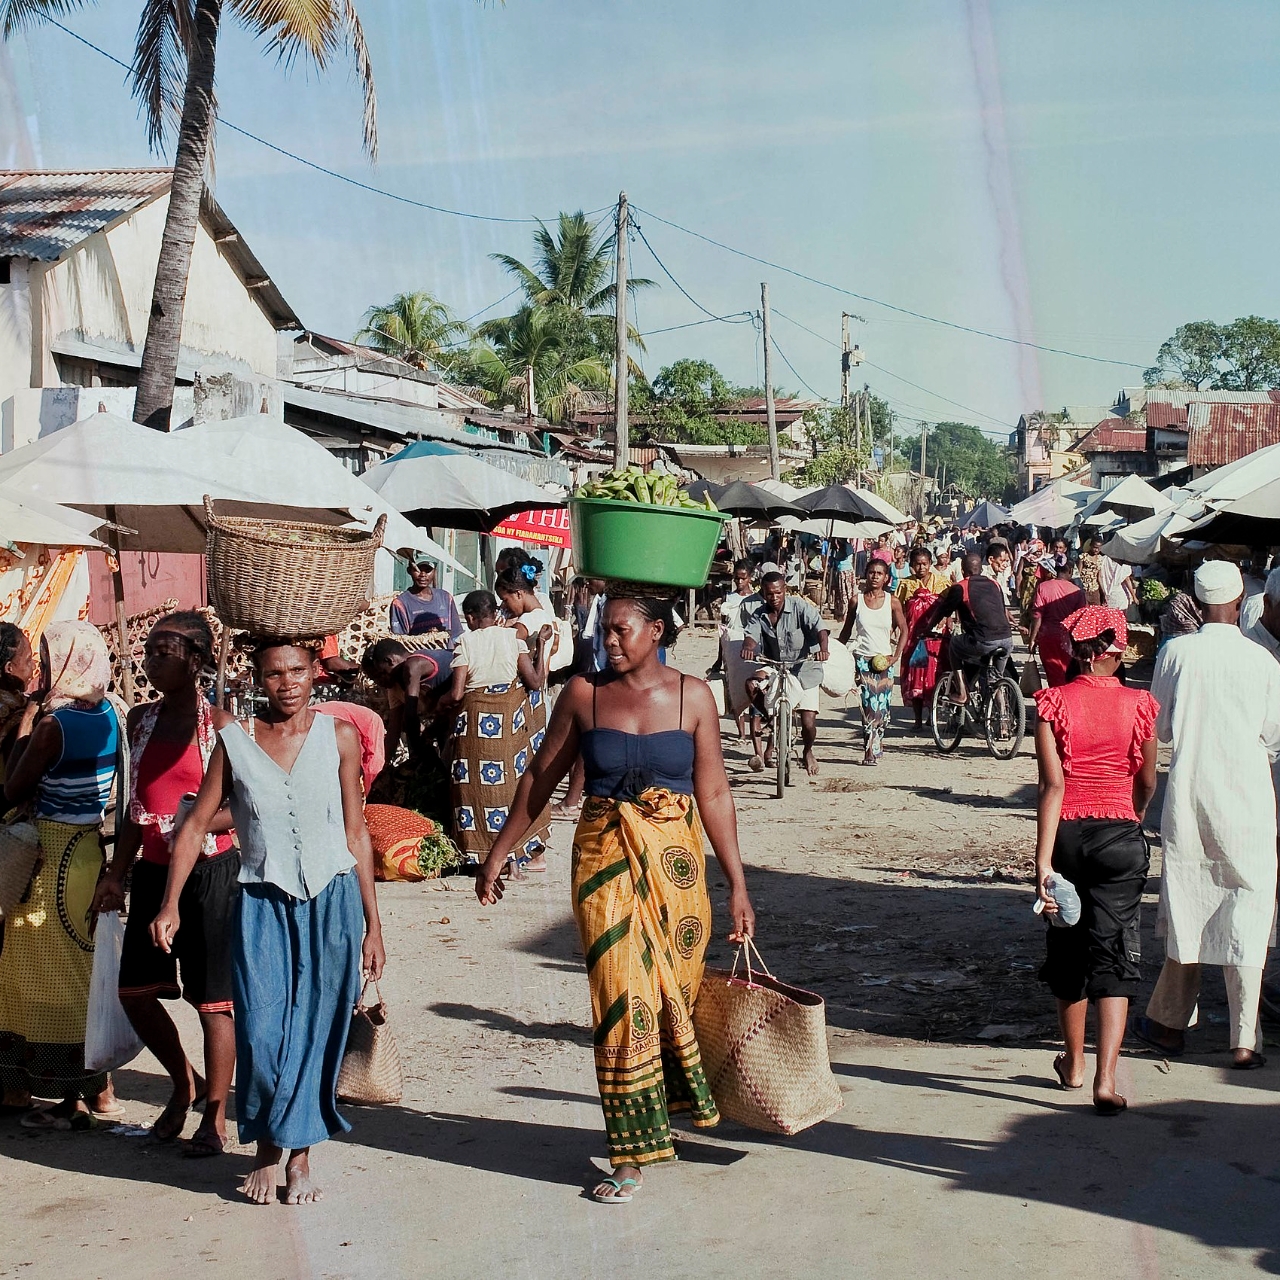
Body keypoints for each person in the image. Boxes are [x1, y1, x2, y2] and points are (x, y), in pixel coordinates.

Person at [473, 589, 755, 1203]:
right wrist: (500, 852)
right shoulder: (584, 694)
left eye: (622, 631)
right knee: (619, 998)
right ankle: (629, 1153)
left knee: (669, 995)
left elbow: (714, 795)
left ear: (657, 631)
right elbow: (540, 777)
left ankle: (665, 1114)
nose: (609, 642)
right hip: (603, 862)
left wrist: (737, 884)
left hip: (677, 873)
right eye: (605, 631)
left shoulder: (693, 697)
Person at [152, 637, 385, 1205]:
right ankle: (265, 1148)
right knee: (261, 1030)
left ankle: (298, 1155)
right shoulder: (236, 742)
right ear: (258, 678)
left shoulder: (340, 736)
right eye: (275, 674)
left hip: (331, 901)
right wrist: (170, 902)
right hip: (259, 902)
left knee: (315, 1030)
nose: (287, 684)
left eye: (297, 671)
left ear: (314, 675)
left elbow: (356, 833)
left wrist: (373, 924)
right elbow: (195, 824)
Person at [91, 613, 238, 1154]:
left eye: (163, 652)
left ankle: (216, 1117)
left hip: (209, 874)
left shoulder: (220, 727)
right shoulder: (140, 722)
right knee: (134, 991)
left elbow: (242, 808)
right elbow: (135, 806)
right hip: (151, 872)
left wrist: (192, 826)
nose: (150, 661)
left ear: (196, 660)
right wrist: (114, 874)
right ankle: (184, 1084)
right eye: (148, 651)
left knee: (213, 1002)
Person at [1132, 562, 1280, 1068]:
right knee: (1249, 910)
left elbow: (1160, 727)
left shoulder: (1176, 653)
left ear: (1195, 602)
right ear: (1241, 602)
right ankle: (1243, 1039)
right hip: (1250, 801)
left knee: (1189, 906)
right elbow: (1275, 738)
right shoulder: (1262, 661)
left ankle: (1170, 1026)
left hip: (1191, 798)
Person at [1033, 607, 1158, 1115]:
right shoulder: (1141, 704)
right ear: (1118, 650)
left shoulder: (1053, 703)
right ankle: (1106, 1080)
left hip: (1067, 838)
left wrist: (1042, 865)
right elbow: (1147, 779)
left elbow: (1052, 786)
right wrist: (1132, 816)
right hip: (1121, 836)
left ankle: (1073, 1062)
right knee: (1114, 952)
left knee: (1067, 946)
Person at [0, 621, 123, 1126]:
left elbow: (13, 788)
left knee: (31, 975)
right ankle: (100, 1089)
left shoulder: (53, 726)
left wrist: (29, 717)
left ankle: (27, 1089)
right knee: (82, 971)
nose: (41, 670)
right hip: (88, 852)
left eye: (49, 660)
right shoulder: (112, 713)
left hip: (45, 855)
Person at [443, 590, 551, 872]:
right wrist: (542, 647)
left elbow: (456, 694)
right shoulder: (513, 639)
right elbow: (535, 682)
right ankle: (515, 856)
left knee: (473, 790)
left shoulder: (464, 642)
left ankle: (481, 857)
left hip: (474, 729)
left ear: (469, 618)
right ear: (496, 613)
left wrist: (437, 704)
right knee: (509, 788)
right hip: (506, 728)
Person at [741, 571, 830, 777]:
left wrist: (823, 649)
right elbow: (751, 636)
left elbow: (820, 629)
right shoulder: (759, 614)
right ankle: (773, 718)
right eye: (769, 593)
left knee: (808, 722)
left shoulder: (800, 607)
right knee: (751, 684)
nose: (774, 597)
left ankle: (807, 751)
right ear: (763, 593)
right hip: (776, 665)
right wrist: (747, 647)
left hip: (803, 668)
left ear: (785, 590)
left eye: (778, 593)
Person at [921, 552, 1014, 705]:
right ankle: (1004, 723)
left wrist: (928, 628)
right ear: (981, 569)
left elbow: (942, 611)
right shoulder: (994, 584)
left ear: (963, 571)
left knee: (954, 645)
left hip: (984, 640)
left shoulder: (960, 587)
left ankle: (962, 693)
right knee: (996, 680)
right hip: (1007, 640)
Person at [839, 557, 907, 760]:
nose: (875, 576)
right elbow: (845, 632)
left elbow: (904, 629)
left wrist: (896, 656)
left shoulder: (892, 602)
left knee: (883, 707)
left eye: (879, 573)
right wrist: (836, 653)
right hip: (862, 659)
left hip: (884, 661)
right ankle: (869, 748)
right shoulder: (856, 601)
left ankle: (878, 739)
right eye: (871, 572)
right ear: (865, 575)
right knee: (868, 705)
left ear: (886, 578)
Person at [1029, 556, 1087, 687]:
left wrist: (1032, 639)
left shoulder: (1043, 587)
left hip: (1047, 637)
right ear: (1070, 571)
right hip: (1069, 638)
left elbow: (1037, 616)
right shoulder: (1077, 592)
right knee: (1068, 673)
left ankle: (1057, 703)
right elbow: (1081, 619)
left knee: (1053, 674)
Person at [390, 558, 463, 641]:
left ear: (434, 572)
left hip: (446, 652)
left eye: (428, 570)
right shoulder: (401, 603)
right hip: (417, 653)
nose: (423, 575)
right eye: (417, 570)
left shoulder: (445, 598)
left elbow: (456, 635)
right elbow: (399, 640)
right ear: (409, 571)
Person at [0, 623, 35, 773]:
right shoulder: (14, 717)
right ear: (9, 668)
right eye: (28, 660)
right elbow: (17, 774)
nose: (34, 666)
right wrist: (28, 717)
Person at [1078, 537, 1104, 605]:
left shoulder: (1100, 559)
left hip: (1095, 589)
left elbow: (1099, 577)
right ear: (1090, 546)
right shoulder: (1083, 557)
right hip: (1084, 589)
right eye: (1095, 547)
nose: (1096, 550)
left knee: (1096, 610)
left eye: (1098, 548)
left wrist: (1102, 591)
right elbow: (1078, 574)